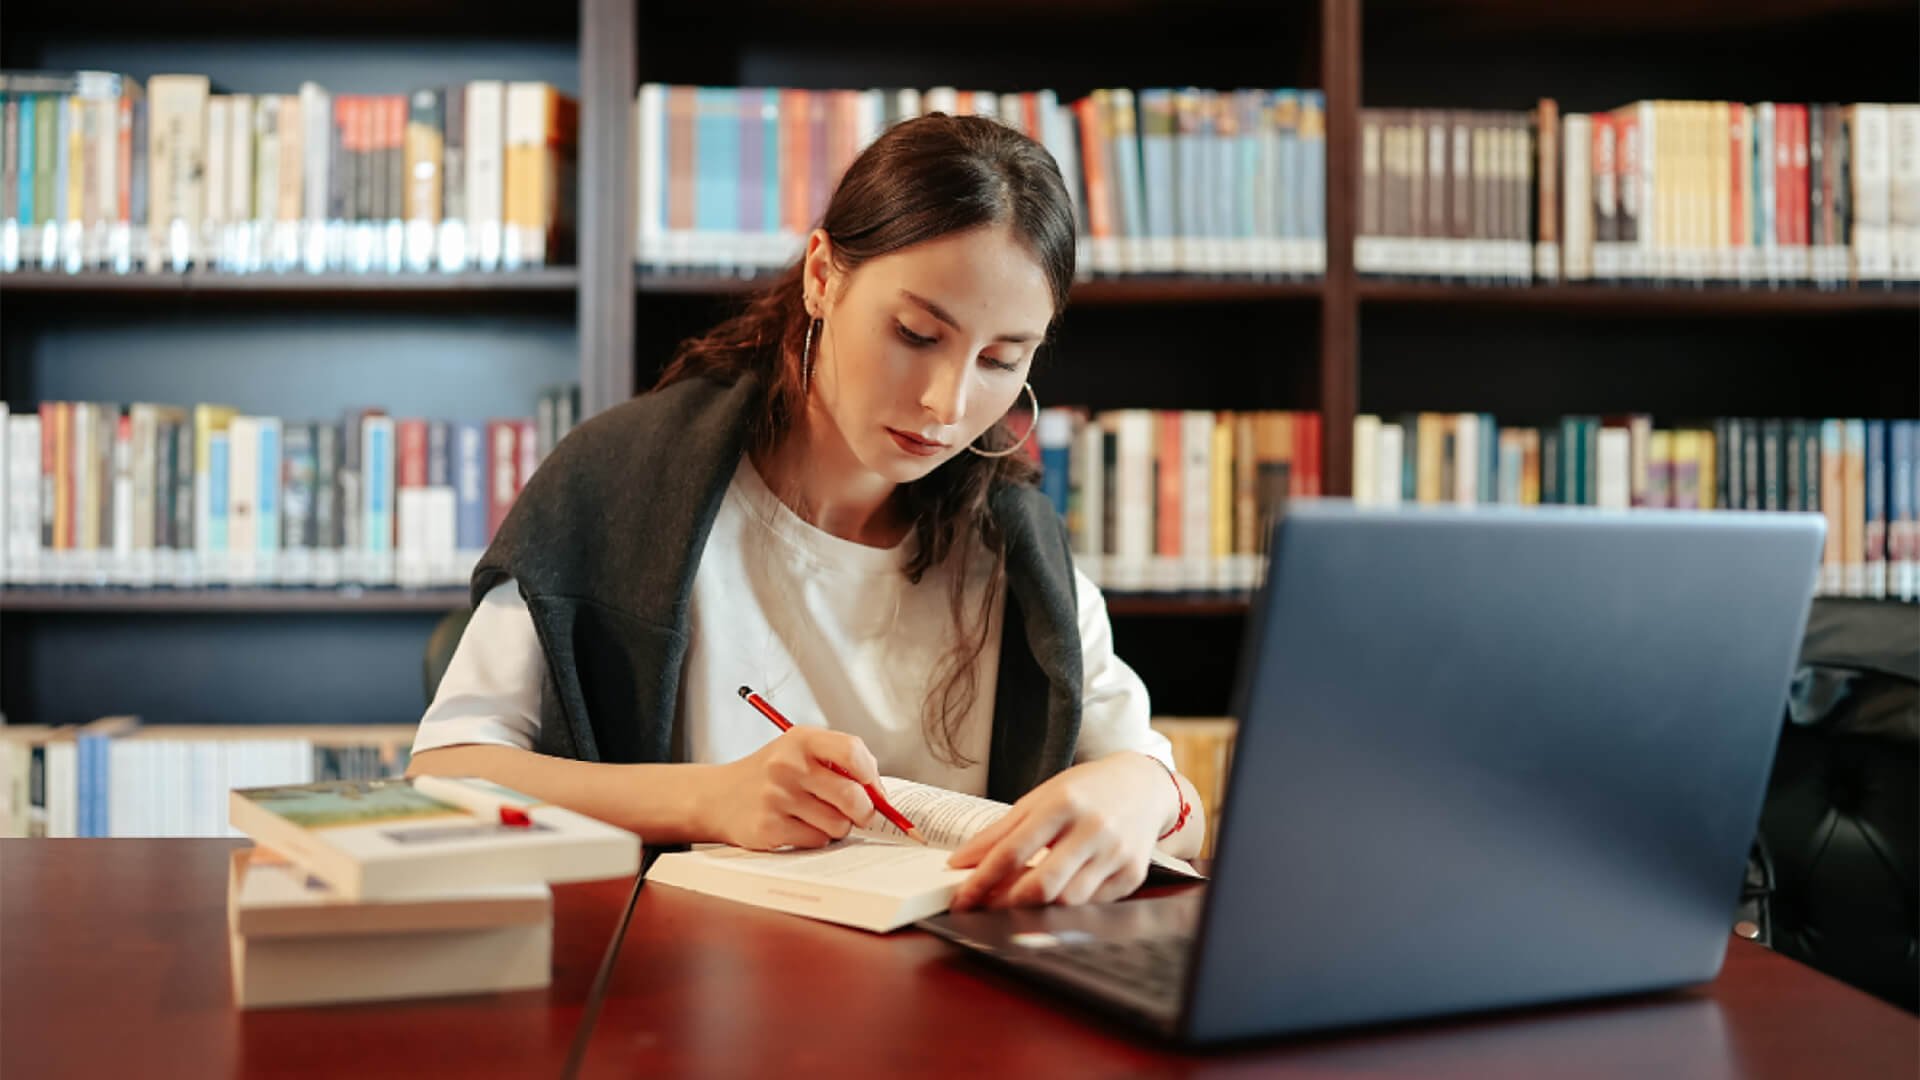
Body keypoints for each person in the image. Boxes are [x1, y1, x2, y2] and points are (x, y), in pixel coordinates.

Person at [408, 112, 1205, 911]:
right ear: (822, 276)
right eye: (917, 333)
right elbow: (447, 768)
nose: (948, 403)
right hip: (676, 986)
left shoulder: (1011, 540)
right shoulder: (622, 478)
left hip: (950, 1001)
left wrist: (1139, 794)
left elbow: (1179, 810)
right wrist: (709, 798)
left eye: (1001, 359)